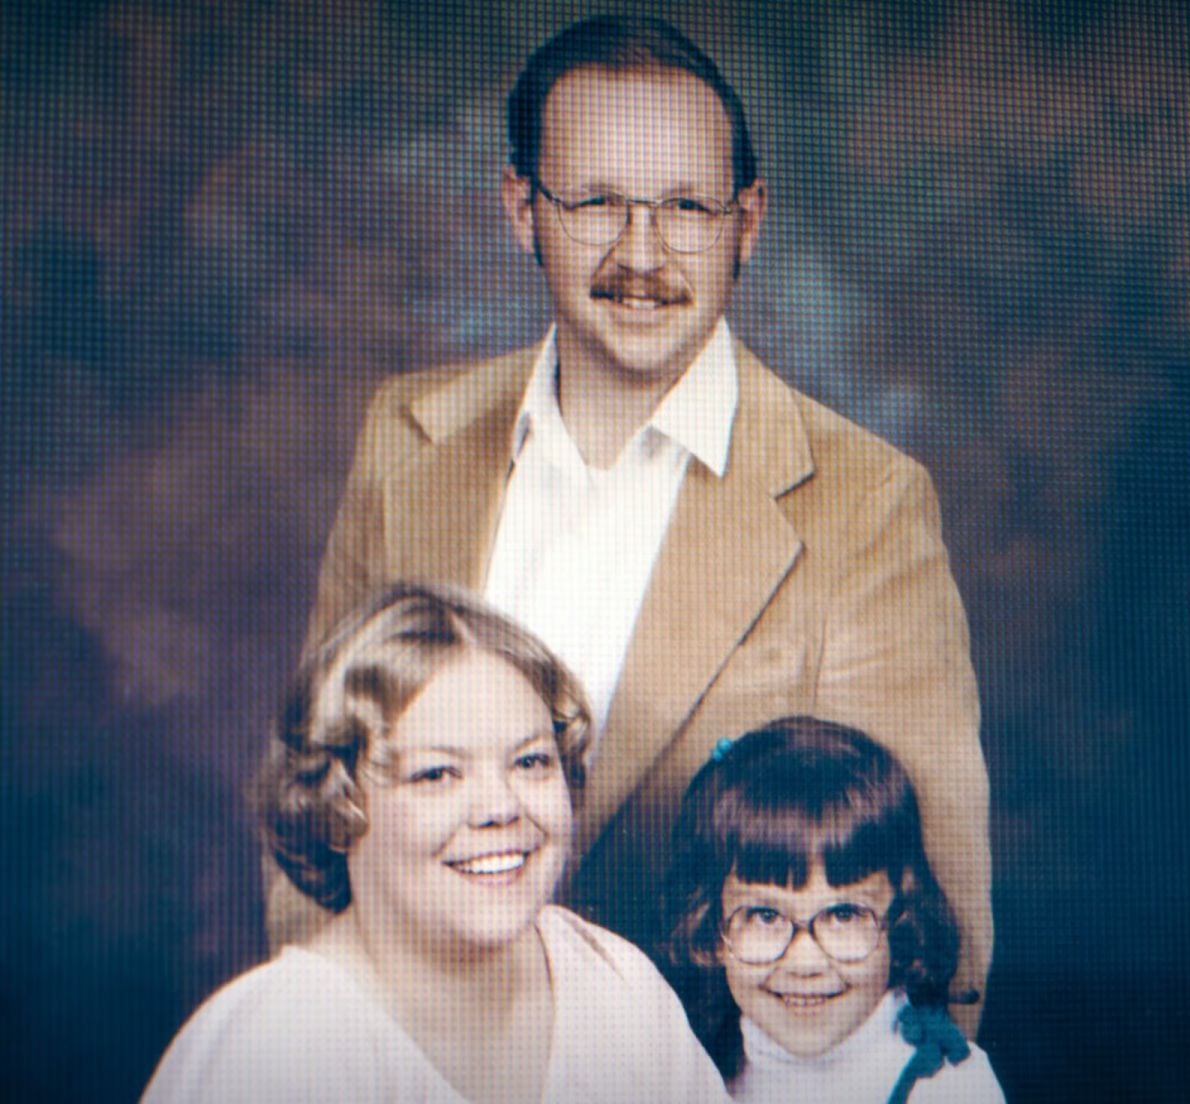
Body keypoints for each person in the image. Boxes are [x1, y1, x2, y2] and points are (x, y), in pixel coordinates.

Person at [290, 14, 991, 1034]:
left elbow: (933, 927)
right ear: (520, 208)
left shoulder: (867, 505)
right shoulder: (406, 440)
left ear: (746, 223)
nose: (643, 254)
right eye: (597, 203)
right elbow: (319, 808)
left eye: (686, 208)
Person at [143, 583, 730, 1103]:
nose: (501, 808)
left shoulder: (614, 988)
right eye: (437, 774)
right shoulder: (271, 1054)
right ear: (338, 806)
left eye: (530, 762)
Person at [660, 716, 1005, 1103]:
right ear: (712, 933)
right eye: (766, 916)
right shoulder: (691, 1073)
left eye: (843, 914)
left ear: (901, 924)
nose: (805, 962)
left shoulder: (947, 1089)